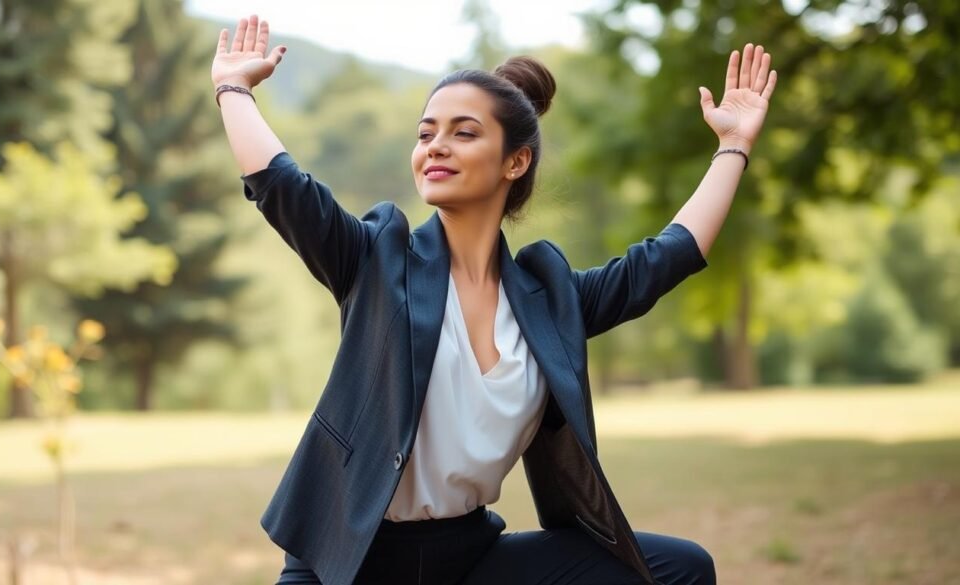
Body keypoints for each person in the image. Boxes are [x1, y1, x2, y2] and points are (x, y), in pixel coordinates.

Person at [213, 14, 776, 585]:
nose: (436, 146)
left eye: (463, 132)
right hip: (349, 563)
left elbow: (666, 257)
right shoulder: (378, 259)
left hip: (468, 558)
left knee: (680, 569)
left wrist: (733, 146)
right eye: (426, 132)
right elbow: (283, 187)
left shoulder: (549, 299)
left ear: (516, 161)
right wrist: (233, 89)